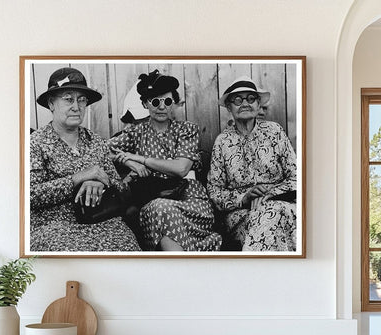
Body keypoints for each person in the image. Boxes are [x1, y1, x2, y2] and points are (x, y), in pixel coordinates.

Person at [108, 69, 221, 251]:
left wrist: (141, 159)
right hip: (153, 199)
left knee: (161, 210)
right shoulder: (136, 132)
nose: (162, 107)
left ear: (173, 103)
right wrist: (127, 161)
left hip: (190, 199)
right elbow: (100, 150)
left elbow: (181, 168)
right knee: (159, 209)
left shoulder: (187, 130)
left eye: (167, 101)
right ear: (145, 103)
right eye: (155, 101)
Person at [30, 67, 141, 252]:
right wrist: (78, 178)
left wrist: (101, 183)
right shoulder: (36, 143)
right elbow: (31, 195)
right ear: (51, 103)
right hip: (55, 228)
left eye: (82, 100)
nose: (76, 106)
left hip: (102, 222)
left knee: (127, 246)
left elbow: (121, 189)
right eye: (68, 99)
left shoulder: (95, 141)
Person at [207, 76, 297, 251]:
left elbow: (297, 177)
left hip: (280, 204)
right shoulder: (222, 142)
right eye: (238, 100)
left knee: (274, 212)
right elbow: (214, 192)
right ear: (229, 107)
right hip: (241, 214)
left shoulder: (274, 131)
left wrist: (269, 194)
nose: (245, 104)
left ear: (258, 105)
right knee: (267, 217)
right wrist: (245, 198)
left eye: (251, 98)